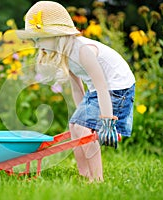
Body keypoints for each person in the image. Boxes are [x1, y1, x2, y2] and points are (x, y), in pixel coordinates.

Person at [16, 1, 135, 182]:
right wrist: (82, 115)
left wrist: (107, 122)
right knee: (75, 126)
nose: (36, 43)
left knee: (83, 128)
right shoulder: (65, 54)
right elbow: (77, 87)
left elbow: (102, 85)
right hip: (98, 91)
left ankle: (97, 179)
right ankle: (84, 175)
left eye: (39, 38)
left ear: (57, 34)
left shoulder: (83, 50)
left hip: (118, 90)